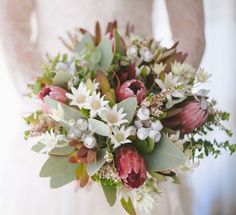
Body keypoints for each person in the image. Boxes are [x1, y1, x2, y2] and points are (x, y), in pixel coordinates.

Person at [0, 0, 205, 214]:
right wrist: (50, 106)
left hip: (144, 122)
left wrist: (160, 100)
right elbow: (11, 25)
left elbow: (191, 30)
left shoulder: (148, 114)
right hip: (54, 123)